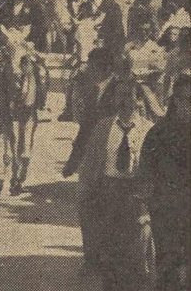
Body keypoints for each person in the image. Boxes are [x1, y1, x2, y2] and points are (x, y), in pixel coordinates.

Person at [77, 76, 155, 290]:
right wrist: (86, 196)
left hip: (136, 197)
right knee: (108, 255)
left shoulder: (149, 130)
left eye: (128, 96)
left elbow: (155, 170)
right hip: (108, 194)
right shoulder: (103, 128)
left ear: (138, 100)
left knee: (137, 257)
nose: (123, 101)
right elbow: (89, 165)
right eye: (119, 96)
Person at [138, 71, 191, 291]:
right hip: (167, 214)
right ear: (175, 100)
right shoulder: (158, 134)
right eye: (187, 100)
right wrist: (146, 209)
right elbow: (145, 175)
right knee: (168, 271)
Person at [62, 47, 118, 177]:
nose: (88, 71)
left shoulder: (119, 88)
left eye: (92, 67)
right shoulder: (94, 90)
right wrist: (72, 163)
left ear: (107, 69)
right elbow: (85, 129)